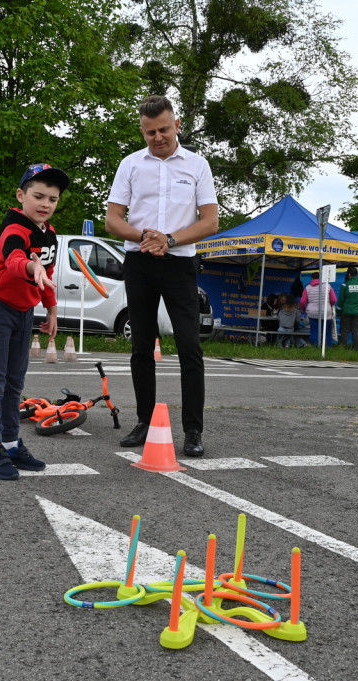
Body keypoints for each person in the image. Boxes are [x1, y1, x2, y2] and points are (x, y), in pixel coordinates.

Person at [105, 95, 219, 457]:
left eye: (164, 129)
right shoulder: (130, 165)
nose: (158, 137)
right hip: (139, 261)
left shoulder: (198, 165)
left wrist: (168, 240)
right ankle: (144, 421)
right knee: (142, 346)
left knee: (189, 346)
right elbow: (113, 220)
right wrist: (144, 237)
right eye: (150, 132)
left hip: (180, 262)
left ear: (177, 125)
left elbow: (210, 221)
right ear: (142, 130)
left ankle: (193, 430)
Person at [0, 163, 68, 480]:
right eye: (38, 196)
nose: (45, 204)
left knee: (15, 383)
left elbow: (49, 274)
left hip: (24, 313)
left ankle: (12, 445)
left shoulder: (50, 235)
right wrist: (31, 269)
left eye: (52, 199)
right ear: (21, 195)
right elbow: (15, 258)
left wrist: (51, 310)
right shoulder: (14, 227)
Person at [336, 266, 358, 351]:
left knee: (344, 331)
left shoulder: (345, 284)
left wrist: (338, 313)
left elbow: (341, 300)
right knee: (356, 332)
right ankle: (356, 350)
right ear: (357, 274)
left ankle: (342, 349)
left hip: (346, 312)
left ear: (349, 275)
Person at [300, 273, 337, 346]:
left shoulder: (307, 288)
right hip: (326, 312)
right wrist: (330, 306)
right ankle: (328, 346)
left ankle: (315, 347)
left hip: (312, 313)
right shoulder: (328, 286)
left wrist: (304, 309)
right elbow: (334, 300)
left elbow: (302, 301)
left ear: (312, 278)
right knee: (327, 331)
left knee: (314, 331)